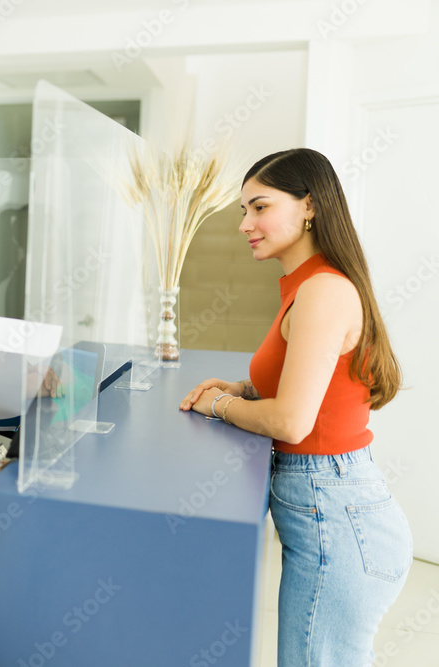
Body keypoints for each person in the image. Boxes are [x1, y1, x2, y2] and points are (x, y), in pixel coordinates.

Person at [178, 148, 412, 666]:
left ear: (309, 206)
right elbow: (318, 386)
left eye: (259, 207)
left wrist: (217, 406)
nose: (245, 224)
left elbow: (292, 421)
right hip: (336, 510)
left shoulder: (324, 290)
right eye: (244, 211)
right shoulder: (309, 285)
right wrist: (245, 389)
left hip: (340, 519)